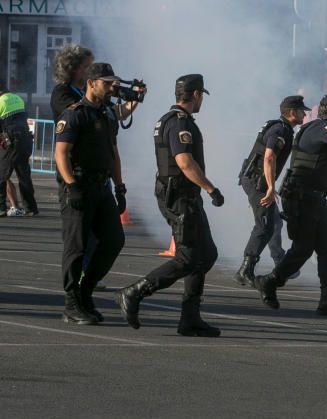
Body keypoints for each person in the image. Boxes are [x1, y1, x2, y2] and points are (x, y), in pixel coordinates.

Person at [115, 74, 224, 337]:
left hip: (184, 195)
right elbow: (184, 161)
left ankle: (190, 318)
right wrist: (211, 188)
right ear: (196, 94)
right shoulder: (179, 123)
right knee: (188, 257)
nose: (201, 102)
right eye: (200, 96)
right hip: (180, 196)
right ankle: (134, 292)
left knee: (206, 254)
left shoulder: (171, 119)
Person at [253, 93, 327, 314]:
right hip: (303, 197)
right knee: (303, 248)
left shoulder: (318, 128)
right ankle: (270, 281)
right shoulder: (321, 128)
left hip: (313, 198)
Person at [52, 65, 127, 324]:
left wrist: (119, 187)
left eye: (114, 83)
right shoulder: (74, 115)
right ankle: (72, 303)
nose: (113, 88)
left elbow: (113, 153)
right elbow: (61, 153)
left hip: (102, 186)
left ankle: (86, 291)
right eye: (107, 83)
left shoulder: (107, 114)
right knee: (77, 246)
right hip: (79, 185)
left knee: (114, 240)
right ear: (92, 83)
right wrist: (71, 185)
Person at [233, 96, 309, 285]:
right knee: (264, 225)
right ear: (292, 112)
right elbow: (268, 158)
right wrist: (270, 188)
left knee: (274, 222)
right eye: (301, 111)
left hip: (258, 180)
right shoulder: (280, 130)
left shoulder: (284, 128)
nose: (304, 114)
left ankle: (281, 263)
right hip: (257, 182)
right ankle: (245, 269)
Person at [0, 87, 38, 217]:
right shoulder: (17, 98)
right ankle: (31, 208)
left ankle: (1, 208)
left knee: (2, 174)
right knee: (24, 175)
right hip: (25, 139)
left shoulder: (0, 101)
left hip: (11, 140)